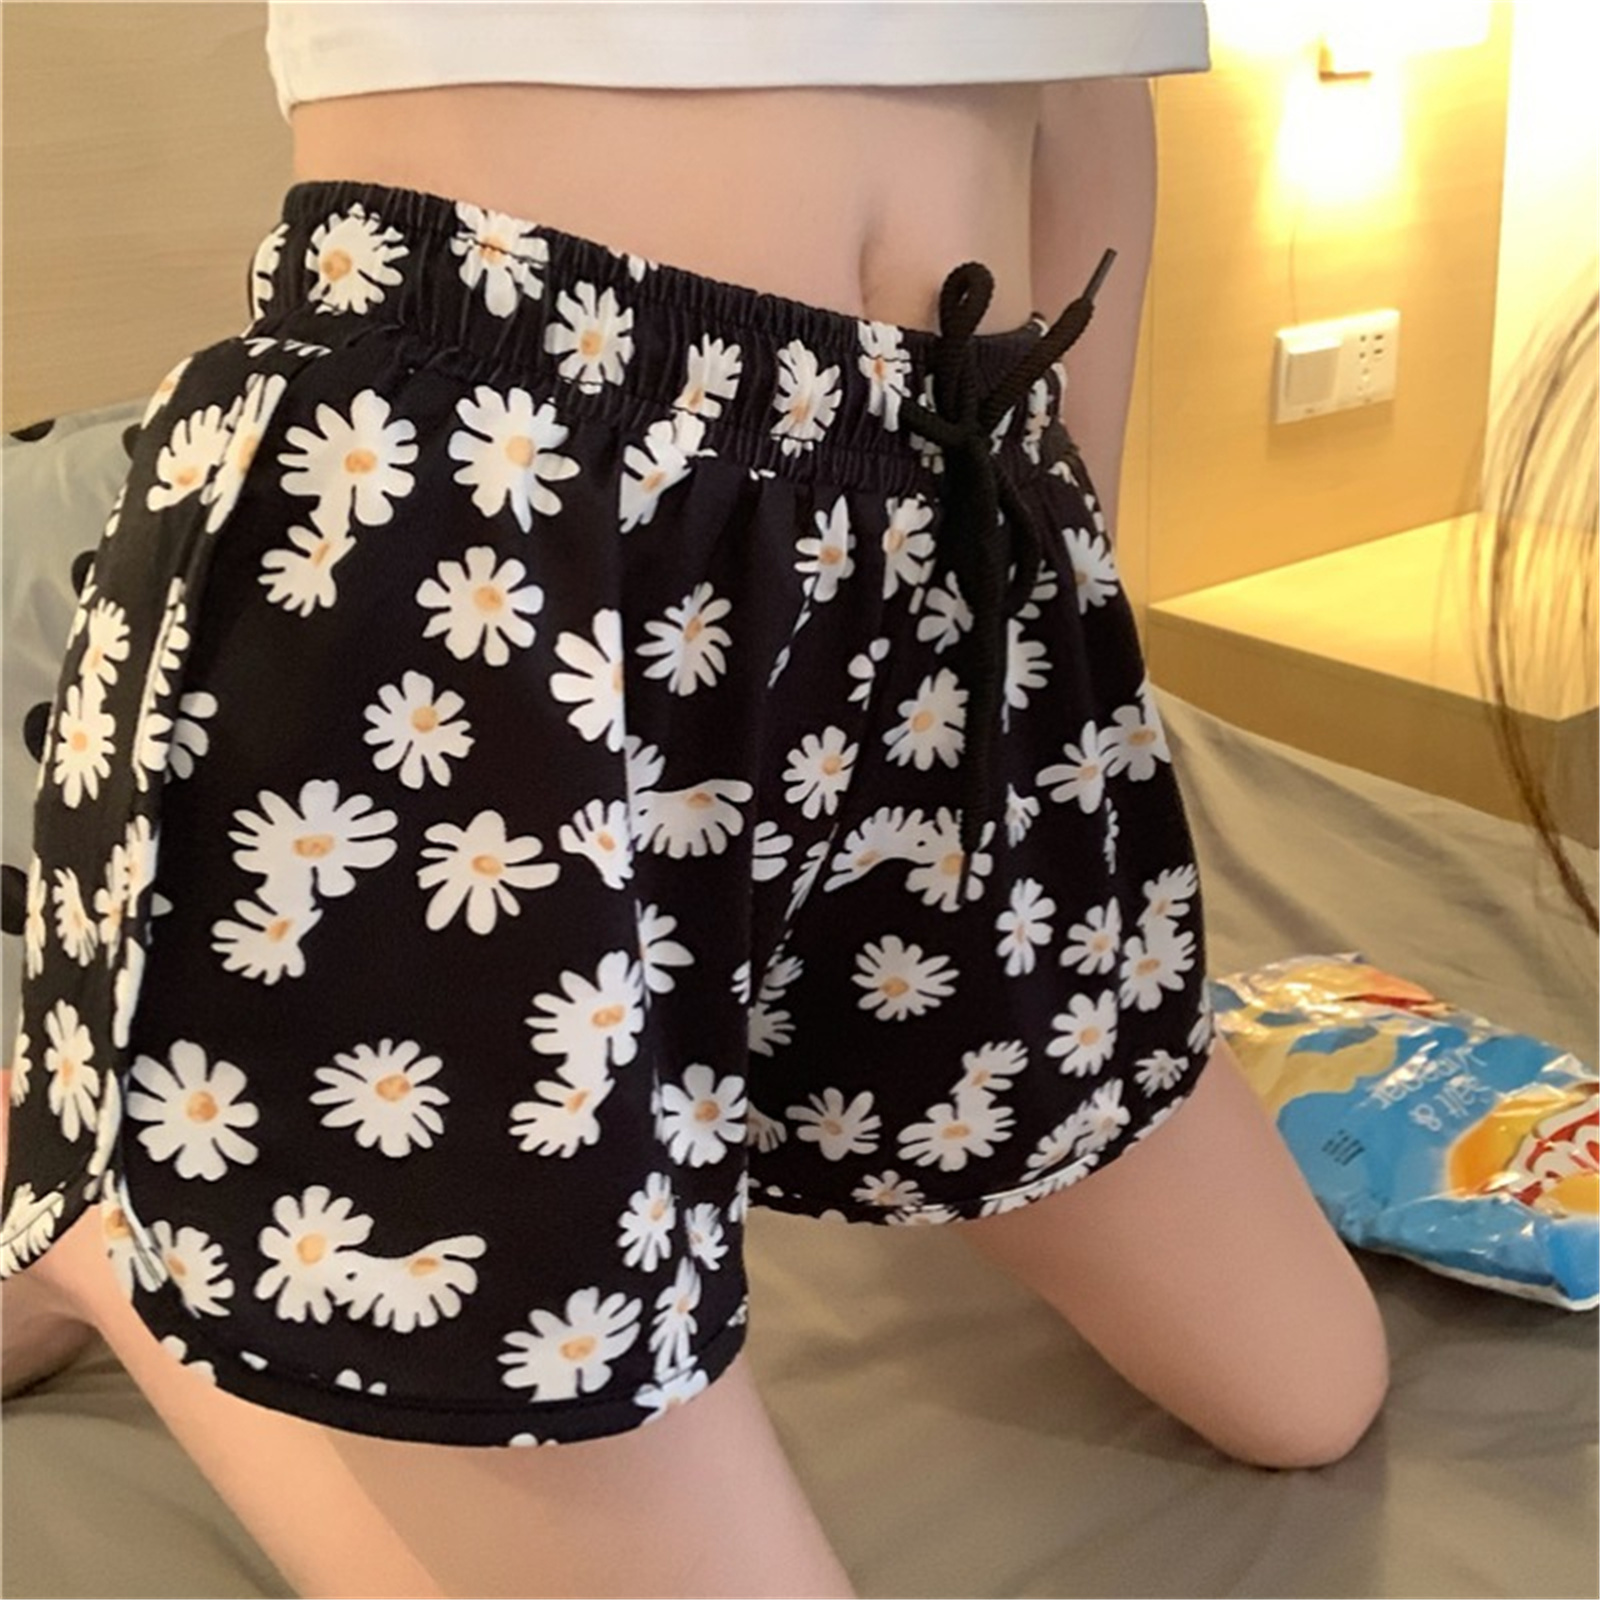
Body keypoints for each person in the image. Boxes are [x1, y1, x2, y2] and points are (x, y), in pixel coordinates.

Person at [1, 5, 1395, 1595]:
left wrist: (1055, 589)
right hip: (486, 528)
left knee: (1313, 1394)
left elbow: (1086, 88)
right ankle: (100, 1227)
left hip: (948, 523)